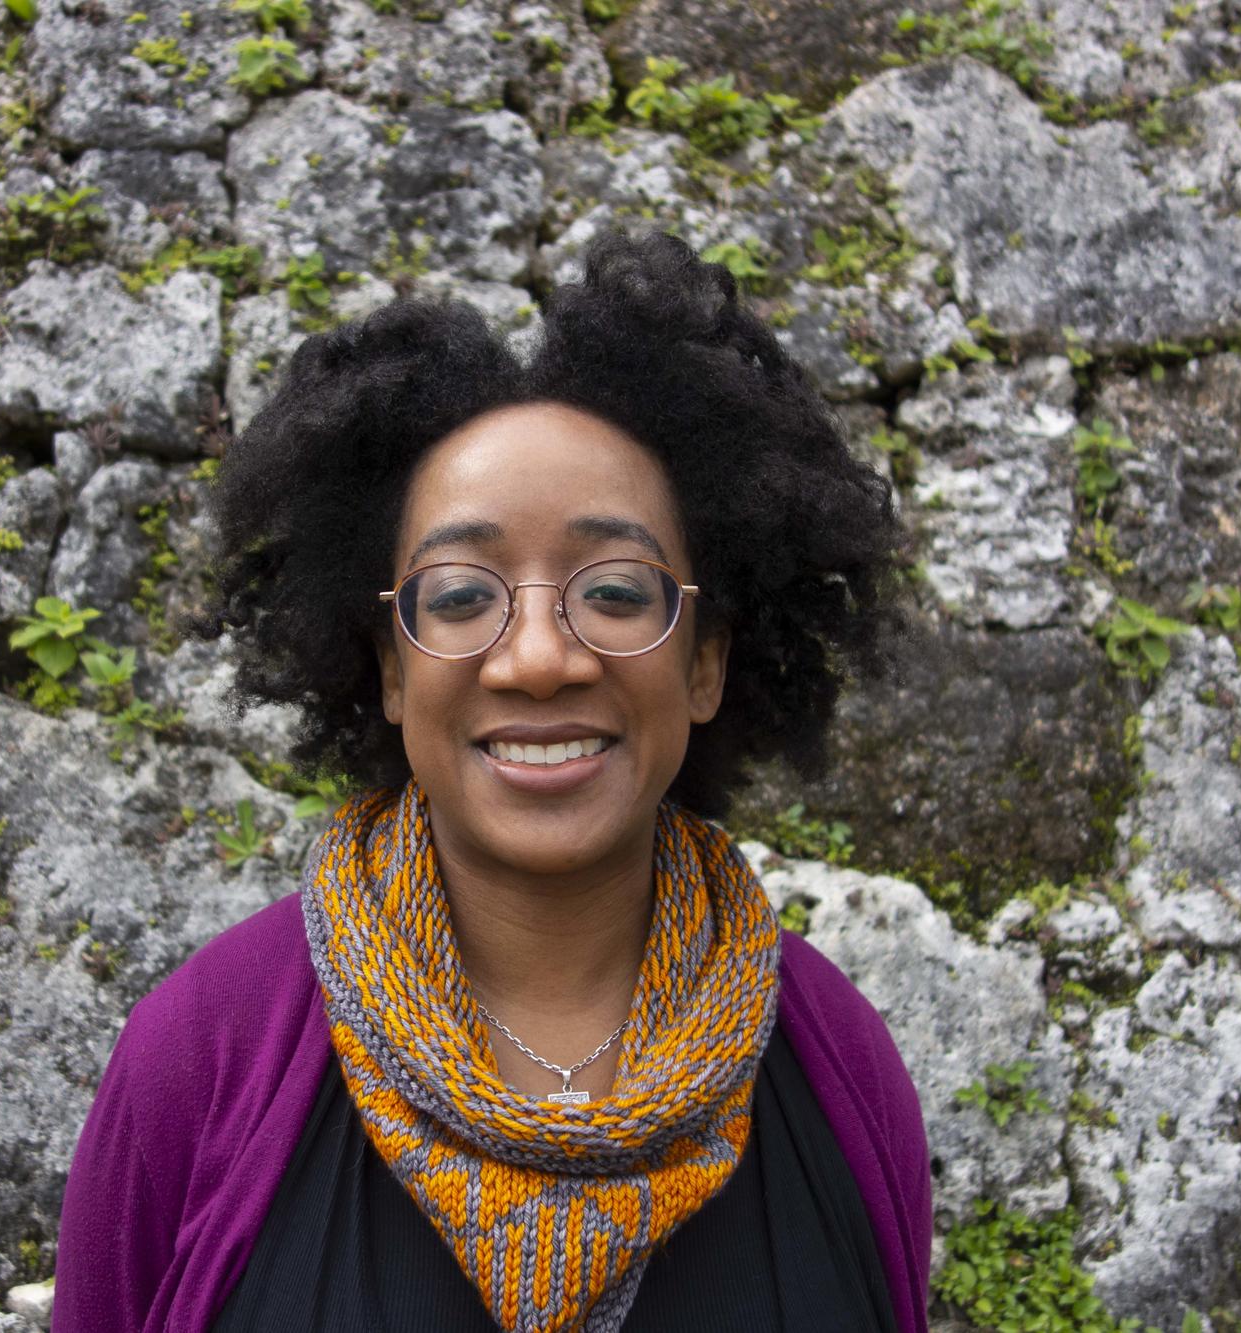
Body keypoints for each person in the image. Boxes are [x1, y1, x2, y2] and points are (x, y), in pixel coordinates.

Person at [53, 228, 932, 1333]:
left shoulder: (836, 1067)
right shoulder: (203, 1056)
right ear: (386, 666)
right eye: (461, 596)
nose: (535, 657)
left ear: (703, 659)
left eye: (614, 590)